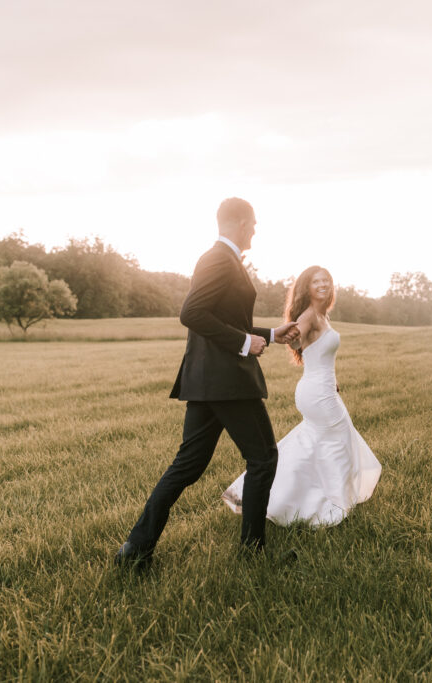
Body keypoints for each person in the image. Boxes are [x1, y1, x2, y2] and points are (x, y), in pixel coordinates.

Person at [115, 198, 299, 570]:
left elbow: (224, 317)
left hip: (210, 382)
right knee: (263, 458)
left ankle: (135, 549)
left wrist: (269, 334)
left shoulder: (223, 260)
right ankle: (252, 555)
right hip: (227, 381)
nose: (255, 231)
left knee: (188, 466)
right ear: (242, 223)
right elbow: (192, 313)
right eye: (254, 224)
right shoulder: (218, 259)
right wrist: (245, 343)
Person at [222, 266, 382, 527]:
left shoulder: (321, 315)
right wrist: (281, 337)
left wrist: (332, 379)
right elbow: (292, 338)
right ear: (307, 287)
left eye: (326, 280)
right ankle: (335, 503)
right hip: (316, 392)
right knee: (338, 441)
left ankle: (279, 497)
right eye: (316, 281)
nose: (323, 284)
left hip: (322, 387)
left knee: (317, 442)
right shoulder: (310, 316)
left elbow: (318, 353)